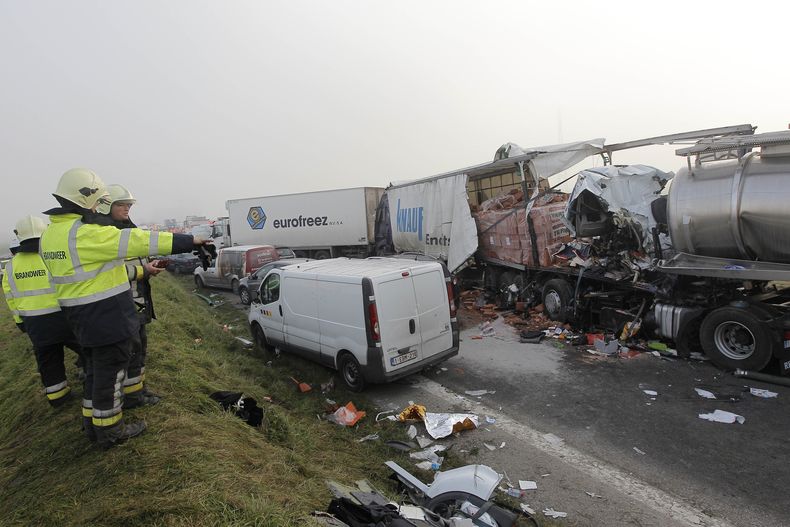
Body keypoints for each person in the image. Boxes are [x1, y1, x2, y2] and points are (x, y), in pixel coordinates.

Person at [40, 168, 206, 448]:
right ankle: (110, 432)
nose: (98, 208)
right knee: (110, 374)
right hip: (105, 316)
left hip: (80, 317)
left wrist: (141, 271)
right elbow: (139, 240)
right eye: (98, 201)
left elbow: (95, 273)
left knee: (95, 373)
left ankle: (92, 425)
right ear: (86, 198)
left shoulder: (52, 235)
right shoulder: (85, 234)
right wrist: (189, 240)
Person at [1, 215, 83, 407]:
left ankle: (58, 397)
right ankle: (90, 379)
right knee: (88, 349)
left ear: (18, 235)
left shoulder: (11, 266)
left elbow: (11, 297)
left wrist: (20, 322)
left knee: (48, 360)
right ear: (44, 230)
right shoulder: (54, 254)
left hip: (35, 323)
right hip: (64, 316)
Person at [95, 184, 161, 408]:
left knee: (139, 350)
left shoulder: (127, 231)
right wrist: (144, 271)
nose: (127, 209)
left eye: (129, 205)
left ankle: (138, 392)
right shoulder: (105, 236)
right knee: (130, 352)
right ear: (106, 207)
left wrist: (148, 266)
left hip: (137, 300)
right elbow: (107, 272)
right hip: (122, 304)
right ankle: (132, 397)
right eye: (121, 205)